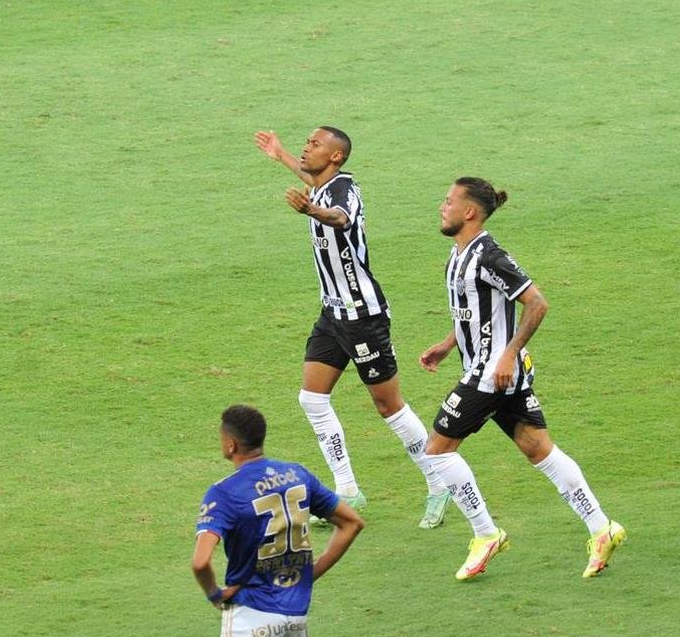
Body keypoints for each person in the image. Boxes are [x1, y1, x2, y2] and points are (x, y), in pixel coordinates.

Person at [418, 177, 627, 580]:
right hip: (489, 368)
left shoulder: (490, 256)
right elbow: (478, 312)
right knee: (538, 449)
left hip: (491, 373)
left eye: (448, 202)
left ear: (469, 212)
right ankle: (602, 528)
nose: (442, 207)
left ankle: (485, 534)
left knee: (437, 451)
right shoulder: (458, 253)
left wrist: (509, 354)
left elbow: (537, 303)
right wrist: (448, 344)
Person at [255, 128, 451, 528]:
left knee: (388, 406)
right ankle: (346, 490)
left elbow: (340, 218)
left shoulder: (345, 192)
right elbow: (311, 180)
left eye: (315, 144)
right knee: (312, 399)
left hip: (363, 316)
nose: (307, 146)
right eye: (307, 142)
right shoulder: (321, 183)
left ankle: (438, 482)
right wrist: (282, 155)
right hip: (333, 314)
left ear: (337, 157)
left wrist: (311, 212)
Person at [192, 404, 365, 637]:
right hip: (296, 613)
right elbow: (352, 523)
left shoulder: (224, 493)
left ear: (231, 444)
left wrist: (214, 594)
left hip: (252, 615)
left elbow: (200, 562)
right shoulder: (297, 474)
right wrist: (310, 573)